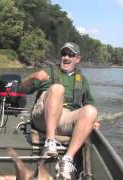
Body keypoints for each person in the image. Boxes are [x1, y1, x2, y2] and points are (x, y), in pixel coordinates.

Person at [19, 42, 100, 179]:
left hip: (65, 120)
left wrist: (94, 121)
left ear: (77, 59)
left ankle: (67, 159)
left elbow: (88, 104)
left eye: (71, 55)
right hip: (43, 118)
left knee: (91, 111)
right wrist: (32, 76)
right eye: (64, 54)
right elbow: (22, 90)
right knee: (58, 88)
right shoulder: (49, 72)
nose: (66, 57)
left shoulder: (82, 80)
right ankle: (50, 142)